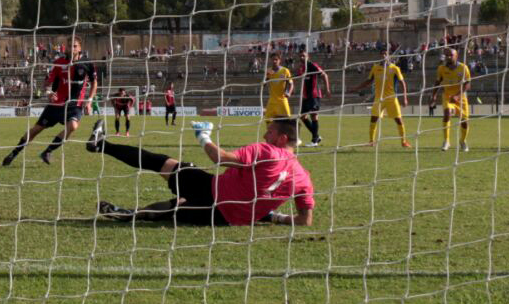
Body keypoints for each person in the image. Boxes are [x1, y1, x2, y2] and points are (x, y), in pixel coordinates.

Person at [86, 117, 315, 226]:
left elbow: (220, 158)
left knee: (164, 164)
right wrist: (274, 216)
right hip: (226, 219)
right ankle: (128, 213)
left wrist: (202, 136)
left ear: (282, 138)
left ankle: (101, 145)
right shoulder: (304, 179)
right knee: (177, 208)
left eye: (271, 133)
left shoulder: (268, 151)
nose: (266, 136)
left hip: (212, 190)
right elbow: (305, 220)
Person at [2, 38, 97, 166]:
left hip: (75, 104)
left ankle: (47, 151)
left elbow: (94, 82)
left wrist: (89, 100)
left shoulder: (88, 64)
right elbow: (47, 83)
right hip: (56, 104)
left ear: (80, 48)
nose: (72, 48)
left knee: (73, 127)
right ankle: (13, 153)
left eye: (75, 46)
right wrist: (48, 92)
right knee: (36, 130)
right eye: (69, 46)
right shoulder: (58, 63)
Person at [360, 52, 411, 148]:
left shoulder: (394, 68)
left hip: (391, 98)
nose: (383, 56)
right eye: (382, 54)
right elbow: (369, 81)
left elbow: (402, 83)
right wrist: (357, 88)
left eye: (385, 54)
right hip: (379, 99)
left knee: (399, 120)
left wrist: (405, 97)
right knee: (373, 119)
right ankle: (371, 142)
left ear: (389, 56)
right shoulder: (375, 68)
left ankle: (403, 142)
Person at [435, 47, 472, 152]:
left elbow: (467, 85)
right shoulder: (441, 68)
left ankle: (463, 141)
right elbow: (437, 82)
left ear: (456, 56)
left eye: (451, 55)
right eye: (447, 55)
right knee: (447, 113)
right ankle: (446, 141)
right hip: (447, 96)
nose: (449, 57)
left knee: (464, 121)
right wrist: (433, 96)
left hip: (461, 97)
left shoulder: (463, 68)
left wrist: (457, 96)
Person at [295, 49, 329, 146]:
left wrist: (327, 89)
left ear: (308, 56)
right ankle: (316, 136)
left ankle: (314, 141)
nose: (302, 58)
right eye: (300, 56)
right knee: (303, 116)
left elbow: (324, 75)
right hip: (306, 96)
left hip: (314, 94)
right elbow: (298, 77)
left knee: (314, 115)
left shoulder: (312, 65)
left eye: (303, 56)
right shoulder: (302, 68)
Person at [263, 54, 293, 132]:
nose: (274, 61)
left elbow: (291, 83)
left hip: (282, 99)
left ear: (280, 60)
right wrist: (264, 81)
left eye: (276, 59)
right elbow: (264, 83)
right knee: (268, 120)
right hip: (272, 100)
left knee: (288, 119)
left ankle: (292, 137)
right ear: (270, 60)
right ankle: (271, 135)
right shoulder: (269, 71)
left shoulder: (285, 70)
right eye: (273, 59)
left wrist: (289, 92)